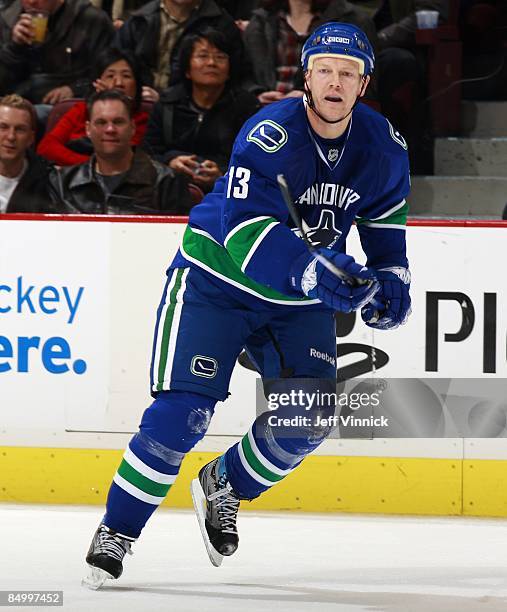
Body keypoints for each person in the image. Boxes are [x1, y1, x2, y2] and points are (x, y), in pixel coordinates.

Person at [83, 22, 411, 588]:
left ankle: (227, 484)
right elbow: (243, 233)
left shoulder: (383, 146)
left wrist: (392, 278)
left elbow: (384, 225)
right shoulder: (269, 134)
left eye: (348, 73)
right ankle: (118, 531)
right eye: (325, 69)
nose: (335, 82)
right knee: (182, 415)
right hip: (216, 281)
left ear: (364, 84)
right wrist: (311, 269)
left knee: (307, 418)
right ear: (306, 75)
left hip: (297, 298)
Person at [142, 28, 259, 193]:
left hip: (228, 194)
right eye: (203, 56)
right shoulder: (168, 103)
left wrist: (223, 174)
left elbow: (256, 161)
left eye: (220, 57)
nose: (212, 63)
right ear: (187, 69)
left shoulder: (247, 107)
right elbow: (148, 152)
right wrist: (170, 162)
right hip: (168, 190)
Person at [50, 89, 192, 215]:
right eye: (101, 122)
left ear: (132, 127)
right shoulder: (62, 183)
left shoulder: (168, 182)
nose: (110, 129)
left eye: (118, 122)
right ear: (88, 129)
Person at [37, 49, 154, 167]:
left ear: (137, 85)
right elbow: (46, 147)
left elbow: (119, 157)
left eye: (126, 76)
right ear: (97, 82)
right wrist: (89, 167)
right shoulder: (80, 110)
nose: (118, 83)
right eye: (110, 76)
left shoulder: (142, 119)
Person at [244, 0, 378, 104]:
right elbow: (241, 75)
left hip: (326, 112)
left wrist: (308, 93)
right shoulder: (260, 21)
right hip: (266, 110)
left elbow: (367, 83)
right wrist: (256, 93)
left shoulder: (353, 21)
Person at [373, 0, 446, 173]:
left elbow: (431, 12)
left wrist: (377, 39)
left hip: (396, 46)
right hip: (347, 46)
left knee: (397, 63)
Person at [115, 0, 249, 92]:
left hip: (196, 109)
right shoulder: (138, 20)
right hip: (139, 105)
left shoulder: (223, 25)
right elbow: (115, 64)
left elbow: (236, 79)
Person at [0, 0, 114, 104]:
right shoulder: (6, 19)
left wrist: (74, 89)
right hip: (13, 103)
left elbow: (108, 76)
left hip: (66, 104)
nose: (31, 1)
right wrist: (14, 47)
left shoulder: (91, 20)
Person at [0, 94, 61, 212]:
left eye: (20, 129)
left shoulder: (49, 181)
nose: (11, 136)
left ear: (31, 138)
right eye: (3, 127)